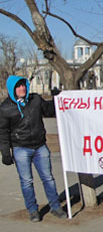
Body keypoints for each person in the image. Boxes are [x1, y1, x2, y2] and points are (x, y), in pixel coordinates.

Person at [0, 75, 67, 222]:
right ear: (12, 89)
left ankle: (55, 207)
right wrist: (5, 153)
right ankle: (33, 210)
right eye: (18, 86)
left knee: (48, 178)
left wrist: (57, 98)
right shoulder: (5, 108)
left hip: (40, 146)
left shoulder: (35, 100)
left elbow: (49, 111)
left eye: (23, 85)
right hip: (20, 149)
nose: (22, 88)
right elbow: (3, 132)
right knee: (26, 181)